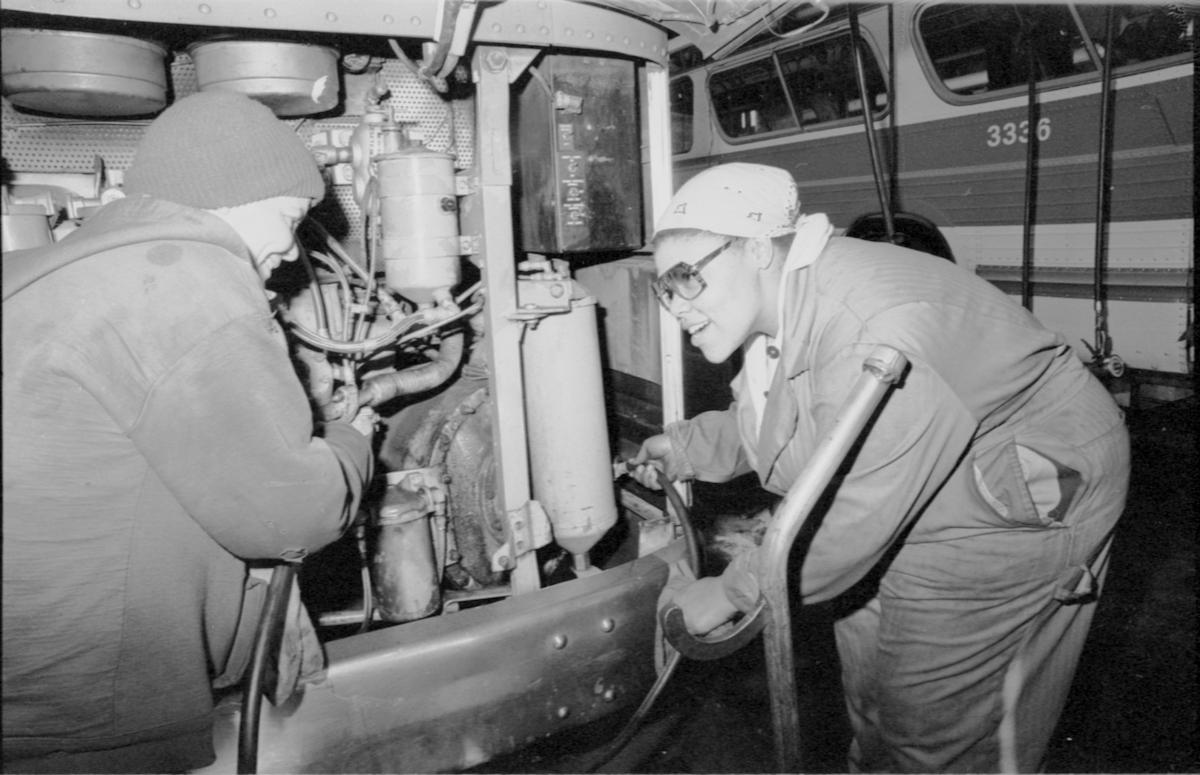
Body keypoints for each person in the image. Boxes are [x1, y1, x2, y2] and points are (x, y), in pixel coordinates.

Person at [632, 163, 1130, 772]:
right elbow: (803, 417)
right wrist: (690, 447)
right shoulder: (787, 301)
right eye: (663, 288)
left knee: (937, 730)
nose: (675, 306)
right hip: (909, 481)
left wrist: (728, 593)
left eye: (686, 278)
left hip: (1012, 497)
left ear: (758, 249)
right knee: (873, 700)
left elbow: (849, 519)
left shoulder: (870, 328)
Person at [2, 91, 375, 773]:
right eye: (290, 218)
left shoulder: (44, 271)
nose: (289, 249)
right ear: (234, 196)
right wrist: (353, 443)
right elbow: (289, 513)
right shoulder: (189, 278)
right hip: (86, 714)